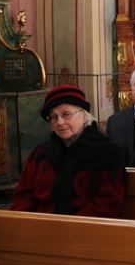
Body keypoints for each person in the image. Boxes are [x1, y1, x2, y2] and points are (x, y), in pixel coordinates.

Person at [11, 85, 126, 217]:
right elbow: (23, 199)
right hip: (41, 225)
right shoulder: (41, 154)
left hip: (86, 226)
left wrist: (67, 227)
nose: (60, 122)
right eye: (54, 117)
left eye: (66, 114)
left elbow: (107, 204)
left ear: (84, 116)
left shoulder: (107, 153)